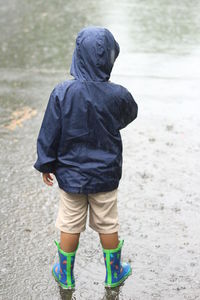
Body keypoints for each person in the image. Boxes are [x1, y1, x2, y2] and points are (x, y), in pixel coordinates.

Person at [34, 26, 138, 289]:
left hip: (71, 175)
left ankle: (66, 275)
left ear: (77, 55)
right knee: (107, 223)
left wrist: (46, 163)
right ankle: (114, 273)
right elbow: (130, 114)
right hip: (105, 175)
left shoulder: (62, 93)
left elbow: (50, 131)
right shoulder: (118, 94)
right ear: (110, 58)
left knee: (69, 223)